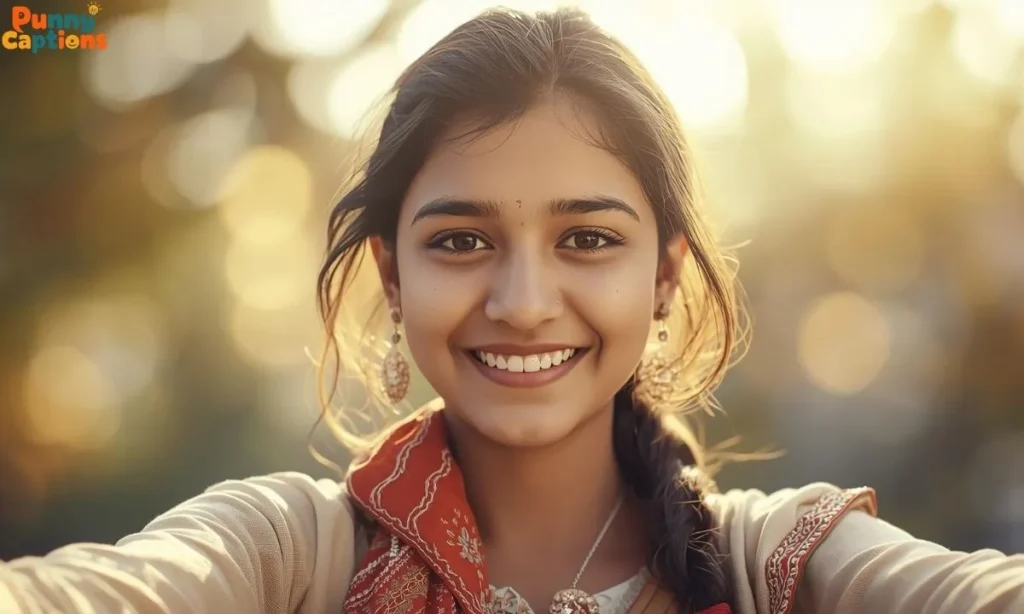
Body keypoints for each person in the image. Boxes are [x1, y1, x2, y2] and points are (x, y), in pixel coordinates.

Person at [2, 7, 1023, 614]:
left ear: (665, 277)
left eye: (588, 239)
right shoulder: (289, 555)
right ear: (391, 276)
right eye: (460, 241)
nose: (524, 303)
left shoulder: (779, 564)